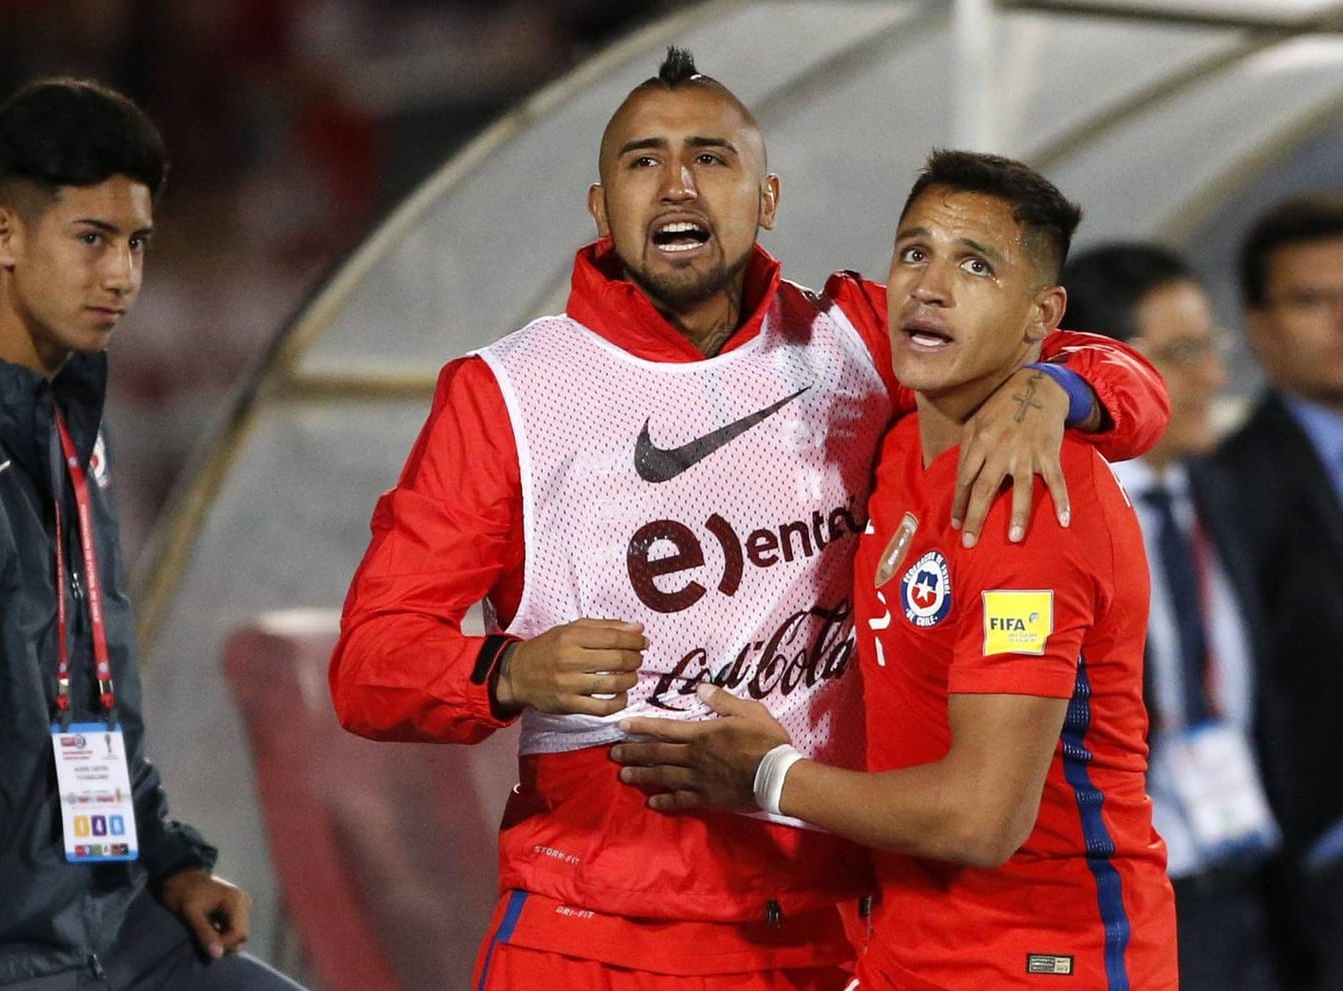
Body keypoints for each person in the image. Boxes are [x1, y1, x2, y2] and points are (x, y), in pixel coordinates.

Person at [329, 50, 1168, 991]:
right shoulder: (506, 394)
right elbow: (370, 666)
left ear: (767, 197)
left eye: (711, 159)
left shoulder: (855, 339)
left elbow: (1108, 363)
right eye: (643, 161)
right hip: (591, 934)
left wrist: (1054, 390)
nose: (678, 183)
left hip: (826, 934)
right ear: (601, 208)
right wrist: (512, 666)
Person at [614, 151, 1178, 990]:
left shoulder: (1028, 503)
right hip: (911, 950)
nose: (931, 284)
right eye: (915, 252)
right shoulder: (903, 439)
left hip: (1044, 960)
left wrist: (766, 776)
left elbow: (982, 820)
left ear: (1040, 317)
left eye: (975, 263)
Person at [0, 78, 305, 990]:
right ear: (3, 237)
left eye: (137, 243)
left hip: (110, 932)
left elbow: (90, 702)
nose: (123, 276)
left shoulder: (70, 432)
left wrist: (166, 856)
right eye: (92, 240)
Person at [1062, 242, 1283, 991]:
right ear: (1103, 367)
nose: (1215, 377)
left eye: (1212, 347)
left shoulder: (1219, 495)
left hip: (1236, 862)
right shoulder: (1058, 518)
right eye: (1182, 352)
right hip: (1111, 890)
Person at [1210, 194, 1343, 991]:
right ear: (1259, 325)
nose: (1338, 322)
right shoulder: (1230, 485)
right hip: (1316, 875)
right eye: (1310, 301)